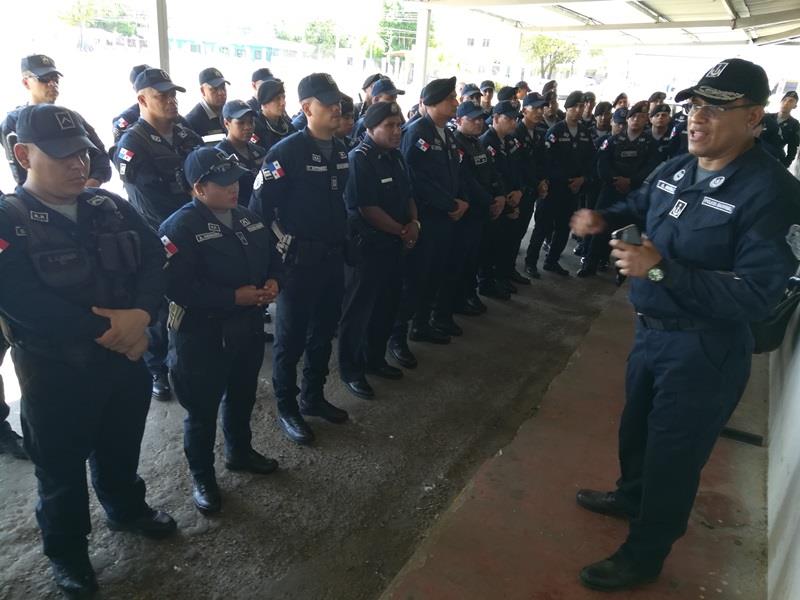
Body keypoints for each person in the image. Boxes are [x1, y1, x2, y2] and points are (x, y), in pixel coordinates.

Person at [570, 58, 799, 592]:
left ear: (754, 117)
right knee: (636, 430)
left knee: (674, 456)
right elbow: (641, 202)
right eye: (696, 105)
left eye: (716, 108)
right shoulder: (678, 168)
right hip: (652, 333)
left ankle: (645, 553)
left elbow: (757, 294)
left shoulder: (771, 193)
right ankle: (631, 497)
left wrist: (659, 269)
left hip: (705, 349)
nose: (698, 117)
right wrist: (604, 217)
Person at [0, 104, 176, 597]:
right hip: (56, 375)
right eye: (62, 156)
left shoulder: (108, 206)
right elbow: (19, 300)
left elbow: (156, 257)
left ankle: (125, 508)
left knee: (121, 444)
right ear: (23, 155)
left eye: (82, 153)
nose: (78, 164)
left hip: (124, 361)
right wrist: (112, 330)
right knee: (60, 472)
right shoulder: (8, 220)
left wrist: (140, 315)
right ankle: (69, 553)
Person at [160, 147, 280, 514]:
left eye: (235, 180)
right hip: (202, 336)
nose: (234, 188)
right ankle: (203, 478)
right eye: (224, 183)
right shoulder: (179, 228)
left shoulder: (248, 218)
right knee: (202, 412)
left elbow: (274, 256)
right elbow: (177, 288)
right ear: (199, 188)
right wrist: (232, 297)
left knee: (242, 396)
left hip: (246, 329)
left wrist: (275, 280)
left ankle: (239, 452)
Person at [249, 73, 351, 445]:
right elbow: (260, 209)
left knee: (323, 332)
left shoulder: (341, 149)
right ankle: (287, 406)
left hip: (332, 258)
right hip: (298, 263)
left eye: (338, 102)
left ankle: (313, 396)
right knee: (290, 340)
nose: (337, 108)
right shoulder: (286, 152)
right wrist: (282, 250)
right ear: (307, 108)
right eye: (328, 103)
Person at [113, 67, 203, 402]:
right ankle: (157, 369)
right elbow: (149, 202)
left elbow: (206, 174)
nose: (170, 100)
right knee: (158, 307)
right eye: (161, 95)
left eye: (172, 94)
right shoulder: (133, 145)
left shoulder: (185, 133)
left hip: (193, 229)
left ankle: (186, 362)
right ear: (142, 99)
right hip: (157, 237)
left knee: (191, 300)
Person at [338, 102, 418, 399]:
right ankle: (351, 370)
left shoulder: (396, 156)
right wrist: (402, 230)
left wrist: (415, 223)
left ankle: (374, 359)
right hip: (368, 248)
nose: (397, 131)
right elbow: (367, 208)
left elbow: (408, 195)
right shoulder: (359, 159)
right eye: (389, 126)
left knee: (387, 305)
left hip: (395, 246)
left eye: (399, 125)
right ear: (371, 128)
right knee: (359, 311)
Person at [388, 77, 466, 365]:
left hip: (445, 218)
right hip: (425, 218)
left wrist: (459, 201)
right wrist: (449, 203)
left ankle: (421, 325)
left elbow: (453, 174)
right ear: (432, 103)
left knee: (434, 274)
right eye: (450, 99)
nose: (456, 103)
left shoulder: (447, 133)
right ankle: (397, 337)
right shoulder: (416, 132)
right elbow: (414, 179)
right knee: (414, 279)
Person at [577, 101, 660, 278]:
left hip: (634, 192)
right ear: (628, 119)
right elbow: (602, 164)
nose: (636, 120)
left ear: (646, 120)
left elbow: (651, 166)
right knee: (599, 226)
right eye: (633, 116)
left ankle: (622, 274)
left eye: (641, 117)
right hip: (610, 190)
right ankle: (590, 264)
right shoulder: (613, 140)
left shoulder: (650, 143)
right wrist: (616, 180)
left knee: (630, 233)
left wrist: (631, 181)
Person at [2, 54, 111, 188]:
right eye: (44, 79)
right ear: (26, 82)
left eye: (55, 79)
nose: (52, 84)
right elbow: (22, 175)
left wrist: (86, 189)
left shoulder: (71, 117)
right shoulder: (14, 122)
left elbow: (101, 159)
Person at [525, 90, 595, 277]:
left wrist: (583, 179)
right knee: (542, 227)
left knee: (564, 228)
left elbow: (590, 160)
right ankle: (531, 262)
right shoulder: (556, 131)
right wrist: (562, 180)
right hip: (553, 189)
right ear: (567, 108)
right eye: (575, 106)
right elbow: (547, 161)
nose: (579, 110)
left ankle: (552, 261)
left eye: (582, 106)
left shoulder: (585, 133)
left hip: (573, 191)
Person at [453, 101, 505, 313]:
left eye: (480, 119)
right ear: (459, 120)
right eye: (473, 119)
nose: (478, 122)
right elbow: (466, 181)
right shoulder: (456, 143)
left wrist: (500, 195)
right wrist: (490, 200)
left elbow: (492, 172)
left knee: (476, 255)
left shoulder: (477, 142)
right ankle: (460, 298)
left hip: (483, 209)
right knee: (463, 258)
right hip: (469, 211)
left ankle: (470, 293)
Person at [476, 101, 524, 299]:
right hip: (496, 202)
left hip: (511, 198)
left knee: (505, 243)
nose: (514, 123)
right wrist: (505, 198)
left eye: (515, 119)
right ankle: (486, 283)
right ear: (495, 118)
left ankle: (501, 277)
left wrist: (518, 191)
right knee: (490, 246)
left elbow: (517, 169)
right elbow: (491, 176)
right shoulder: (486, 142)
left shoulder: (510, 141)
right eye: (509, 118)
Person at [216, 100, 267, 205]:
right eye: (241, 123)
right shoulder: (220, 156)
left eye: (251, 122)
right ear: (227, 123)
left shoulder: (260, 151)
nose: (248, 127)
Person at [185, 67, 229, 144]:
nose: (221, 93)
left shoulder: (229, 113)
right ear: (202, 91)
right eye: (214, 89)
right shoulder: (192, 121)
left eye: (223, 87)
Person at [352, 78, 405, 142]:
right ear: (376, 100)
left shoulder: (397, 118)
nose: (394, 103)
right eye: (389, 99)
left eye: (395, 99)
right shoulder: (362, 124)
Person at [251, 78, 296, 153]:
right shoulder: (255, 127)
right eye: (277, 99)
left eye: (283, 97)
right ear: (264, 103)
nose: (283, 103)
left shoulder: (286, 124)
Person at [761, 90, 799, 168]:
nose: (786, 103)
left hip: (773, 159)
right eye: (784, 100)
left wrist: (785, 165)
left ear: (795, 106)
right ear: (781, 102)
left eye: (791, 101)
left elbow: (792, 148)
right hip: (757, 153)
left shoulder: (794, 124)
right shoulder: (766, 117)